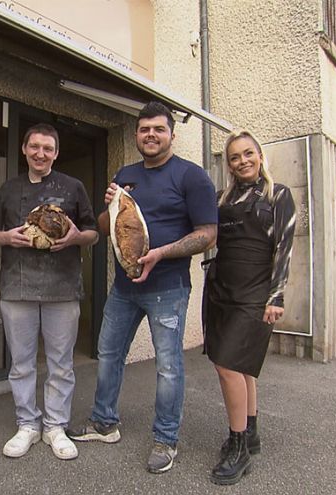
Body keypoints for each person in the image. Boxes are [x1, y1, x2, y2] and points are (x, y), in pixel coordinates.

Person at [68, 101, 218, 474]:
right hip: (123, 287)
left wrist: (161, 253)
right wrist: (110, 205)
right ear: (136, 134)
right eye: (144, 129)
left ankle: (166, 439)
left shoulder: (191, 176)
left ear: (171, 134)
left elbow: (207, 235)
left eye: (158, 129)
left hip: (168, 288)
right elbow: (106, 227)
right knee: (108, 353)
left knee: (168, 366)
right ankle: (104, 423)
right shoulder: (126, 173)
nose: (150, 135)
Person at [0, 123, 98, 460]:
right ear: (24, 149)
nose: (40, 153)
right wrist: (7, 238)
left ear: (56, 153)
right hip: (17, 287)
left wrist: (76, 237)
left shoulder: (73, 187)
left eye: (47, 148)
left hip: (63, 287)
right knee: (21, 363)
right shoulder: (9, 188)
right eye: (34, 147)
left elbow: (92, 232)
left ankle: (55, 427)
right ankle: (27, 425)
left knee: (61, 364)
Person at [202, 130, 296, 485]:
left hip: (256, 295)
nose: (242, 161)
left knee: (227, 365)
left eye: (248, 154)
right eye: (234, 157)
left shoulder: (277, 194)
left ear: (260, 155)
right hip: (221, 291)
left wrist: (277, 296)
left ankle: (238, 447)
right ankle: (250, 432)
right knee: (241, 368)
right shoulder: (220, 197)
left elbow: (285, 248)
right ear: (228, 164)